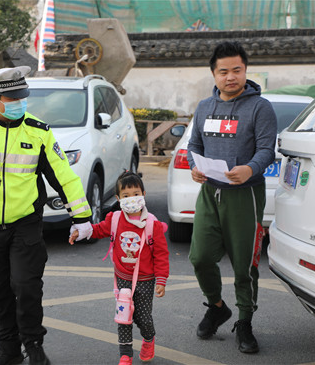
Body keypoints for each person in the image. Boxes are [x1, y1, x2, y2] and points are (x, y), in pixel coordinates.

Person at [0, 66, 93, 365]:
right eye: (12, 98)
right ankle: (8, 351)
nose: (20, 103)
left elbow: (65, 176)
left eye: (22, 97)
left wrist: (81, 216)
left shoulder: (39, 132)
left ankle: (33, 345)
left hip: (25, 225)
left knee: (26, 286)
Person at [186, 41, 277, 354]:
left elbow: (267, 150)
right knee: (199, 257)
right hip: (210, 193)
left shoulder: (259, 107)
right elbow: (193, 146)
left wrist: (250, 169)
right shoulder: (203, 107)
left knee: (244, 266)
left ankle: (245, 322)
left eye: (236, 70)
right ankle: (216, 306)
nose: (230, 77)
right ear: (213, 74)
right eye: (223, 71)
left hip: (244, 195)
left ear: (245, 71)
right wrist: (195, 166)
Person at [69, 171, 170, 365]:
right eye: (126, 196)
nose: (131, 199)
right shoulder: (114, 219)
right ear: (118, 198)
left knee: (143, 317)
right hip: (122, 278)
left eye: (135, 194)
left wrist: (162, 280)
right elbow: (98, 230)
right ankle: (125, 354)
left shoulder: (152, 225)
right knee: (124, 316)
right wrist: (81, 232)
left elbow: (161, 255)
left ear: (144, 194)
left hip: (145, 280)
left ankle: (149, 339)